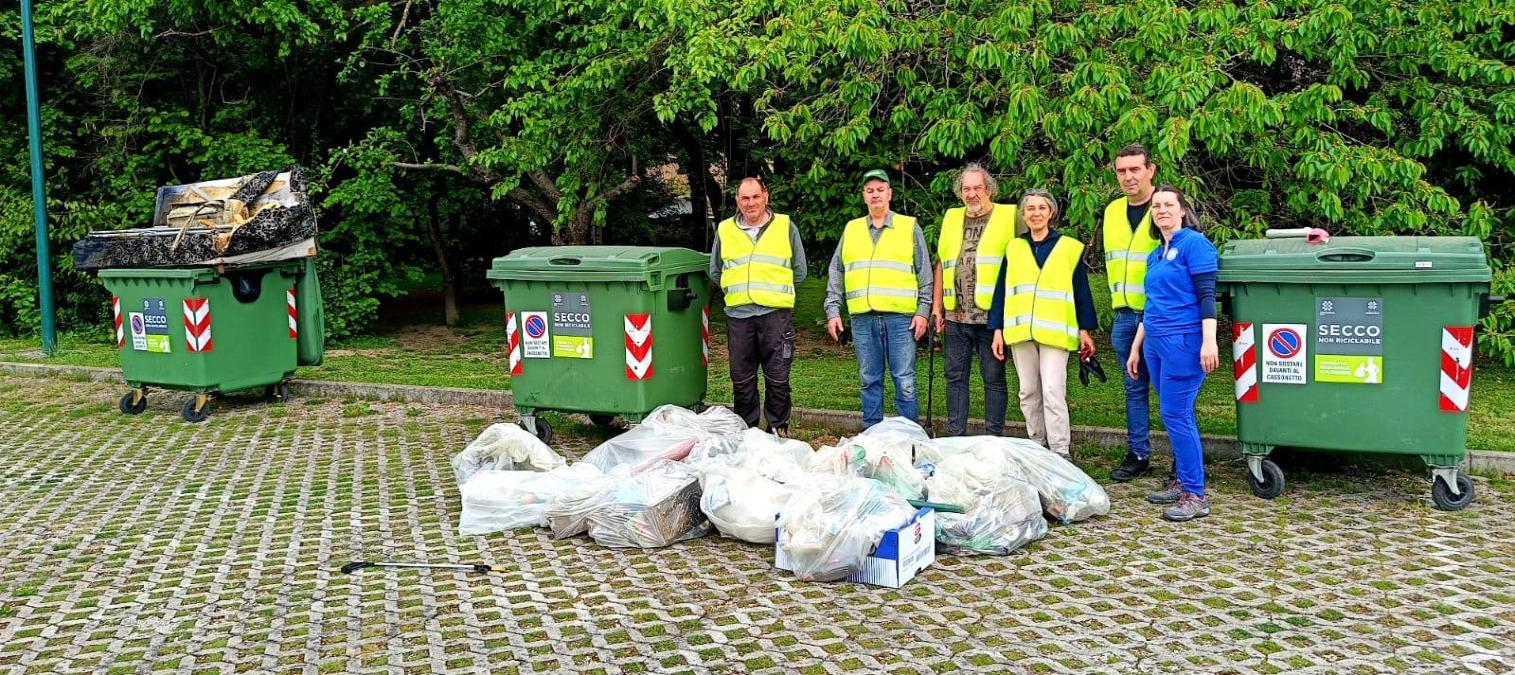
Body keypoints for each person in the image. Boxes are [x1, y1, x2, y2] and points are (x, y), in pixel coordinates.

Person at [1123, 185, 1220, 522]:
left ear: (1182, 210)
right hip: (1155, 343)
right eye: (1156, 206)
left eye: (1168, 204)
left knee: (1177, 415)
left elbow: (1208, 297)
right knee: (1174, 415)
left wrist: (1210, 341)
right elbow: (1151, 306)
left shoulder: (1195, 244)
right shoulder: (1156, 253)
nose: (1161, 210)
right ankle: (1182, 482)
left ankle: (1196, 495)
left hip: (1184, 342)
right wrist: (1136, 348)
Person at [988, 189, 1097, 460]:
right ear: (1023, 215)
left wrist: (1085, 330)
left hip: (1056, 331)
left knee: (1052, 390)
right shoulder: (1014, 247)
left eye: (1041, 208)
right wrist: (997, 330)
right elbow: (1002, 290)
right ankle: (1037, 445)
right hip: (1020, 331)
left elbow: (1081, 290)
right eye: (1030, 209)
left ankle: (1060, 451)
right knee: (1028, 391)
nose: (1035, 213)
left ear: (1051, 213)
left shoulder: (1069, 247)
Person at [826, 169, 933, 428]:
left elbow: (924, 272)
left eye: (880, 189)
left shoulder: (909, 227)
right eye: (870, 191)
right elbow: (836, 270)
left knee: (904, 379)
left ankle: (909, 437)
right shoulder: (851, 229)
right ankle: (872, 435)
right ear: (864, 196)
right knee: (869, 378)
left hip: (901, 319)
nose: (876, 195)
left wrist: (923, 311)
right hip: (863, 319)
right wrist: (833, 310)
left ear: (890, 194)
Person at [930, 164, 1023, 436]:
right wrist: (937, 307)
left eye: (977, 188)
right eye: (966, 188)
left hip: (991, 318)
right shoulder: (951, 218)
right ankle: (955, 435)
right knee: (955, 378)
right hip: (955, 316)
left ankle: (994, 437)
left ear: (989, 190)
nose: (971, 194)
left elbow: (1022, 263)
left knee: (993, 378)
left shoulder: (1010, 216)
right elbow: (942, 264)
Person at [709, 177, 807, 434]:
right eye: (745, 198)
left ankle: (777, 428)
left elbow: (800, 270)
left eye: (755, 197)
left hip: (775, 314)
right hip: (739, 316)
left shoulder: (786, 227)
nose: (751, 203)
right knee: (741, 379)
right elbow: (716, 271)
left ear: (766, 197)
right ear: (737, 201)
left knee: (778, 377)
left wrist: (774, 291)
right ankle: (746, 430)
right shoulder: (725, 230)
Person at [1104, 143, 1163, 482]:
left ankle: (1182, 460)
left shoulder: (1165, 207)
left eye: (1134, 169)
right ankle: (1138, 453)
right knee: (1133, 387)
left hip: (1158, 315)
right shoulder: (1113, 212)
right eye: (1122, 171)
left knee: (1169, 389)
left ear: (1149, 170)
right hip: (1125, 315)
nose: (1128, 177)